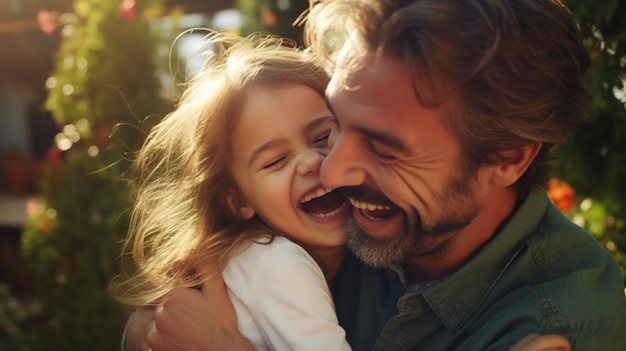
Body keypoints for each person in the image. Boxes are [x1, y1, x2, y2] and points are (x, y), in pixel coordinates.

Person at [125, 0, 626, 349]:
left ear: (508, 158)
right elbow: (165, 319)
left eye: (385, 148)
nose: (334, 170)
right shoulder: (338, 231)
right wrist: (147, 330)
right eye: (337, 125)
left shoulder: (555, 327)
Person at [110, 31, 354, 351]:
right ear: (237, 200)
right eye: (275, 161)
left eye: (322, 137)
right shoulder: (280, 263)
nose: (309, 161)